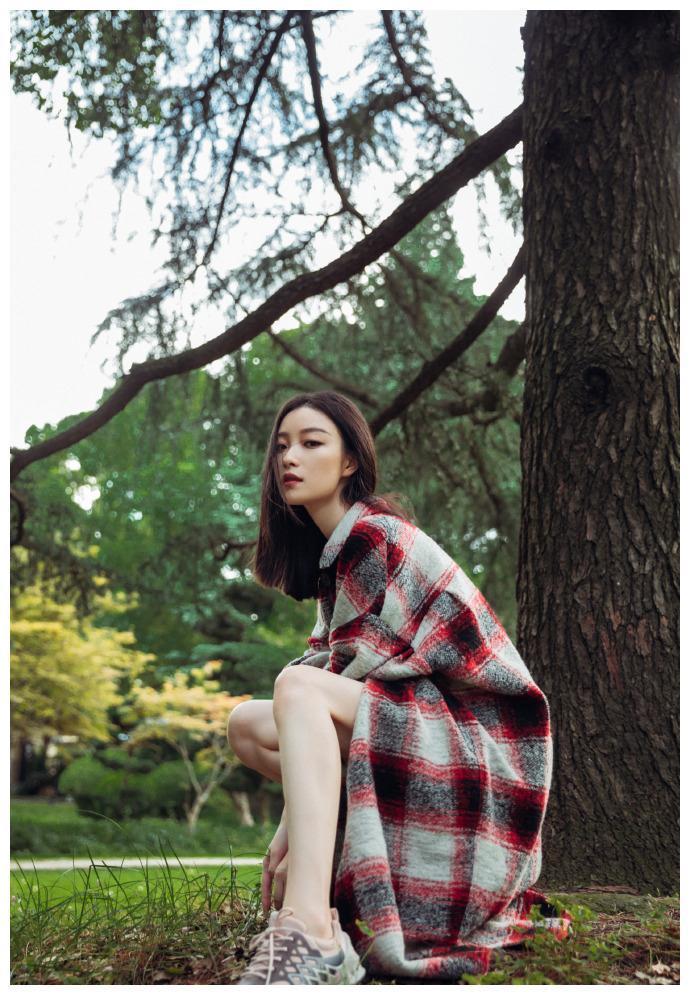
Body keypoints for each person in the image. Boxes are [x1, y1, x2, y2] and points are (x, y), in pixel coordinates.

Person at [228, 390, 571, 985]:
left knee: (297, 689)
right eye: (282, 446)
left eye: (311, 443)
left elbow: (329, 683)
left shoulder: (373, 535)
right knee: (246, 725)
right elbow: (324, 684)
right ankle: (325, 892)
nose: (290, 458)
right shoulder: (337, 556)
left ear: (349, 462)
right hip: (419, 729)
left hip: (485, 749)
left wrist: (288, 825)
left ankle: (311, 929)